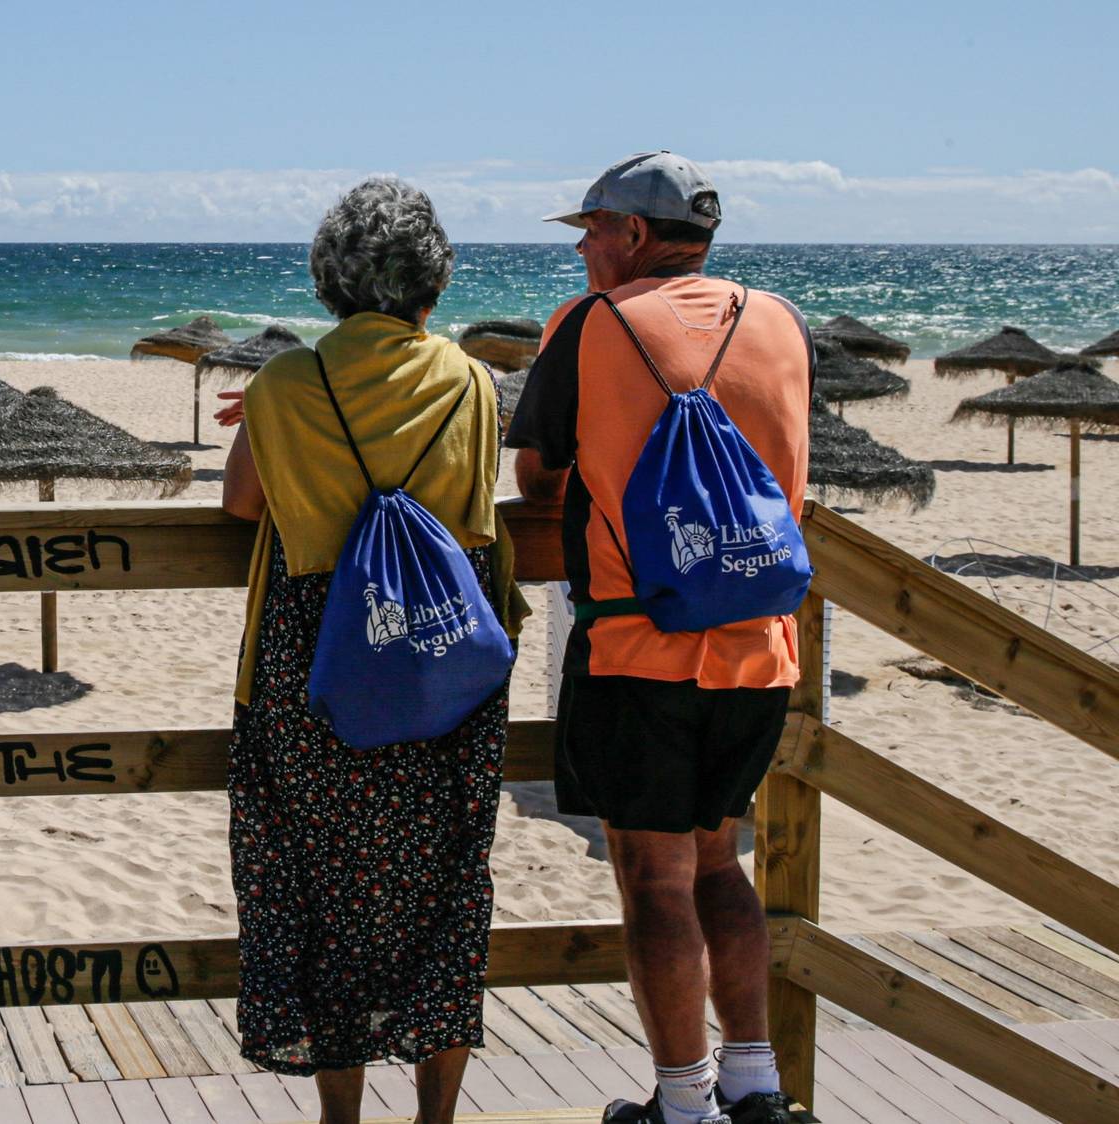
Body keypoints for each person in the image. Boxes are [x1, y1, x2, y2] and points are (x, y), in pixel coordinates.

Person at [506, 152, 811, 1124]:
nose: (584, 248)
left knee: (651, 874)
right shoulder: (776, 321)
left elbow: (537, 481)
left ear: (632, 234)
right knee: (717, 860)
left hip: (638, 647)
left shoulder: (589, 325)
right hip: (759, 645)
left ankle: (682, 1103)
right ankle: (753, 1082)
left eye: (590, 229)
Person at [218, 177, 526, 1124]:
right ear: (431, 284)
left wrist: (273, 422)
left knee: (313, 890)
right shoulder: (472, 379)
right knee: (444, 889)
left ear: (329, 281)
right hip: (439, 655)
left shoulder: (285, 383)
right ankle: (435, 1117)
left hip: (316, 653)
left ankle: (340, 1118)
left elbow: (240, 505)